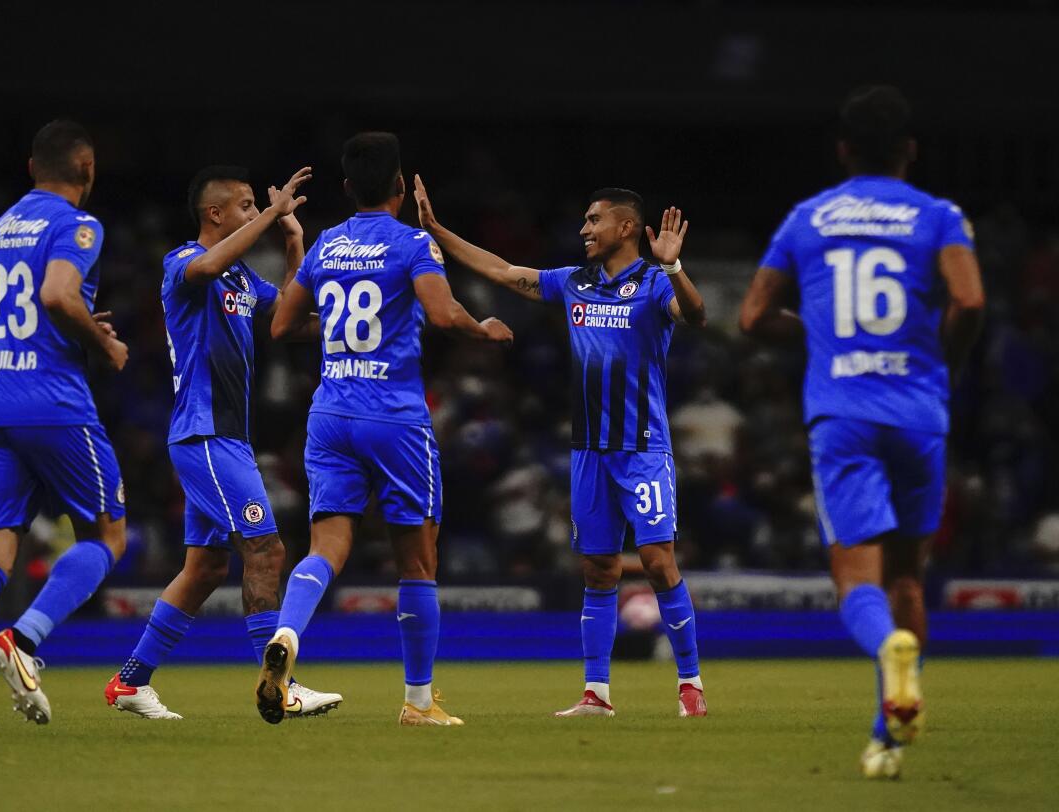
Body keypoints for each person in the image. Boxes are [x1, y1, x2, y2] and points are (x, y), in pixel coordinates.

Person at [739, 85, 985, 778]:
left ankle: (888, 655)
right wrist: (945, 363)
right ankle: (887, 734)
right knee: (909, 576)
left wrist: (816, 331)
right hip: (919, 409)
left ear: (843, 150)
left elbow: (753, 317)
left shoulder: (807, 218)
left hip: (843, 412)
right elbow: (969, 299)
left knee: (856, 577)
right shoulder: (938, 214)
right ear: (910, 151)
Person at [416, 178, 711, 719]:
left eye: (593, 220)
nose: (584, 229)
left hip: (643, 447)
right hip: (588, 452)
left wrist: (673, 267)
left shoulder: (653, 282)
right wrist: (438, 231)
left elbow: (693, 316)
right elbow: (504, 272)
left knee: (657, 561)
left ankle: (689, 683)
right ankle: (596, 693)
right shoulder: (575, 282)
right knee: (598, 569)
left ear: (626, 227)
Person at [258, 132, 513, 726]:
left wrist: (345, 332)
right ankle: (418, 704)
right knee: (417, 563)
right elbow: (445, 314)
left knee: (327, 546)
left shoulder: (326, 244)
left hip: (330, 414)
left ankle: (288, 634)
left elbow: (282, 327)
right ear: (400, 186)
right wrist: (486, 329)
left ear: (347, 188)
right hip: (394, 417)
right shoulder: (413, 242)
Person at [104, 165, 341, 719]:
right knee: (267, 548)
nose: (257, 210)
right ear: (215, 214)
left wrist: (294, 242)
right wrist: (270, 215)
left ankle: (131, 682)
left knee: (206, 569)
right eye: (246, 205)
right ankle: (280, 682)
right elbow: (207, 264)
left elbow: (291, 318)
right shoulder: (183, 262)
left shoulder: (240, 282)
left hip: (226, 438)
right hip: (204, 433)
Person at [0, 120, 131, 738]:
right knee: (108, 533)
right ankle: (22, 638)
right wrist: (100, 340)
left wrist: (58, 321)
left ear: (30, 167)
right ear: (86, 168)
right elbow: (61, 294)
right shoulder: (76, 225)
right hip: (53, 402)